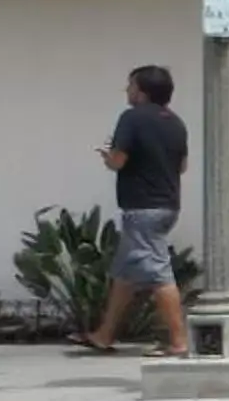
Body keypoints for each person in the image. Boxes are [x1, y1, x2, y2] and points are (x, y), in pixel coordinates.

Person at [78, 66, 191, 357]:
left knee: (158, 273)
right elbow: (182, 167)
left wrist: (108, 157)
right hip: (167, 204)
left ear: (142, 92)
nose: (127, 91)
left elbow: (118, 161)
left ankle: (178, 343)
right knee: (125, 274)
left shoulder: (131, 118)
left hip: (142, 207)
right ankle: (104, 335)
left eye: (130, 86)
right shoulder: (176, 123)